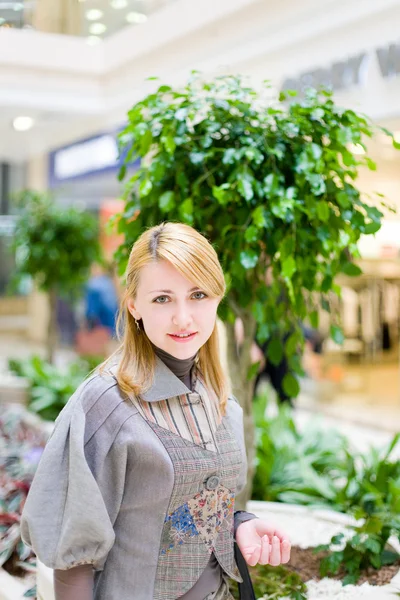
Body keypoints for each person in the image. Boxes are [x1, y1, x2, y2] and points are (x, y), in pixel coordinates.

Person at [20, 222, 291, 600]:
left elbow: (196, 507)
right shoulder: (104, 406)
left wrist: (240, 525)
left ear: (217, 298)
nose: (183, 318)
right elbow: (73, 561)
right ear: (134, 304)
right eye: (163, 298)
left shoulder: (218, 397)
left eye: (198, 294)